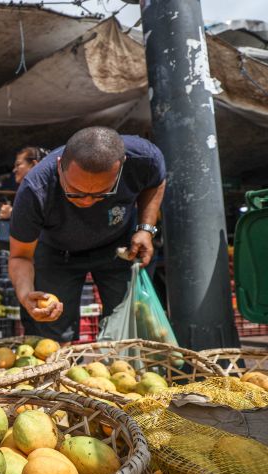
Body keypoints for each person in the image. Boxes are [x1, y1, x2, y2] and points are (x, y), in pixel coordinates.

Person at [9, 126, 166, 343]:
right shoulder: (35, 189)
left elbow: (156, 181)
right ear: (59, 167)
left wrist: (146, 229)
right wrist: (26, 295)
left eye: (101, 194)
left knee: (130, 324)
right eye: (75, 191)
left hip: (119, 248)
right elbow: (20, 256)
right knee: (53, 331)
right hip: (57, 253)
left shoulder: (145, 158)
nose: (86, 201)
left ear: (121, 169)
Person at [0, 146, 49, 220]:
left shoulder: (47, 191)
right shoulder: (28, 192)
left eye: (18, 165)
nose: (14, 170)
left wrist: (13, 213)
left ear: (34, 165)